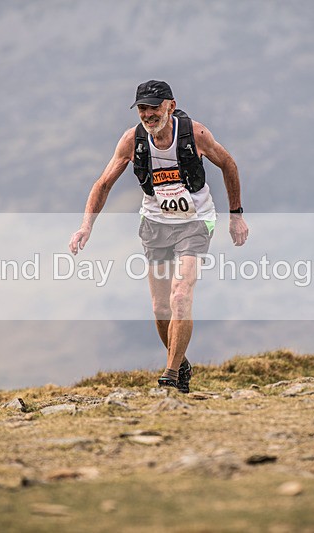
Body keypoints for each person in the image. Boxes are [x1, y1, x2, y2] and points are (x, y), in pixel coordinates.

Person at [69, 80, 249, 393]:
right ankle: (181, 361)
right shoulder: (132, 140)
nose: (149, 114)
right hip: (155, 225)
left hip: (195, 222)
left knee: (181, 296)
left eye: (155, 107)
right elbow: (102, 185)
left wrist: (236, 216)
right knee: (160, 308)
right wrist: (86, 226)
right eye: (143, 108)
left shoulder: (196, 134)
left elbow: (228, 164)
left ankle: (170, 375)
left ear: (170, 105)